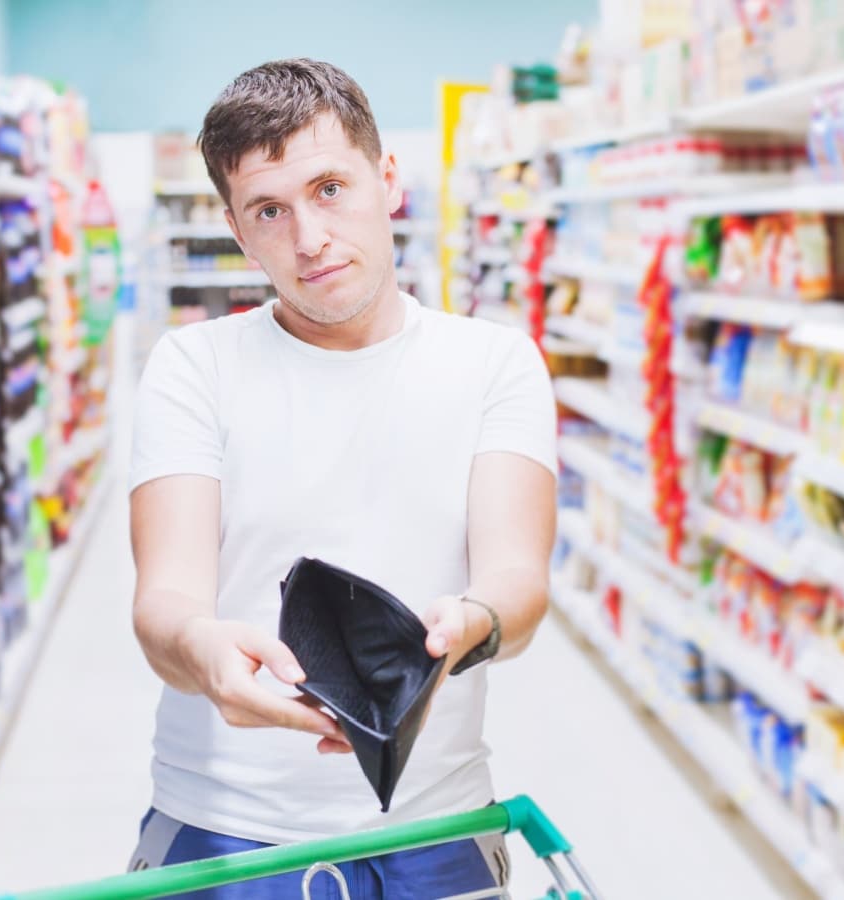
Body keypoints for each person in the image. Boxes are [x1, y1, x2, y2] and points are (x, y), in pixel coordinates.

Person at [128, 57, 557, 897]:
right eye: (269, 211)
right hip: (227, 830)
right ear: (237, 229)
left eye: (329, 189)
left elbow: (518, 580)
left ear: (387, 180)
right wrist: (202, 650)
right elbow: (164, 601)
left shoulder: (493, 362)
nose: (309, 238)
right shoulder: (194, 366)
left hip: (437, 825)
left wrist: (472, 621)